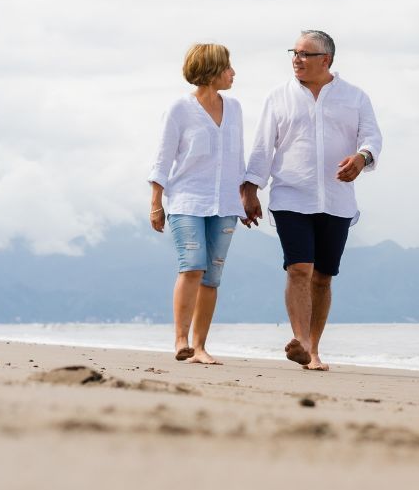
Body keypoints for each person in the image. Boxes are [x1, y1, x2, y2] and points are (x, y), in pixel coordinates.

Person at [241, 29, 382, 371]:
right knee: (299, 268)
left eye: (305, 54)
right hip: (291, 194)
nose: (297, 59)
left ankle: (314, 350)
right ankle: (300, 340)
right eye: (294, 52)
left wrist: (362, 159)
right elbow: (263, 146)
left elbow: (372, 138)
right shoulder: (278, 97)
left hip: (337, 200)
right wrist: (249, 189)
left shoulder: (355, 97)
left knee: (323, 276)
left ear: (326, 60)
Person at [147, 43, 246, 365]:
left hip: (226, 203)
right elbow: (162, 158)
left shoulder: (235, 109)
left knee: (212, 277)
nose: (234, 73)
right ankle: (180, 340)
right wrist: (156, 203)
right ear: (212, 71)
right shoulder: (179, 109)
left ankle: (200, 347)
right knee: (192, 265)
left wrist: (246, 197)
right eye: (228, 67)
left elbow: (236, 159)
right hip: (187, 199)